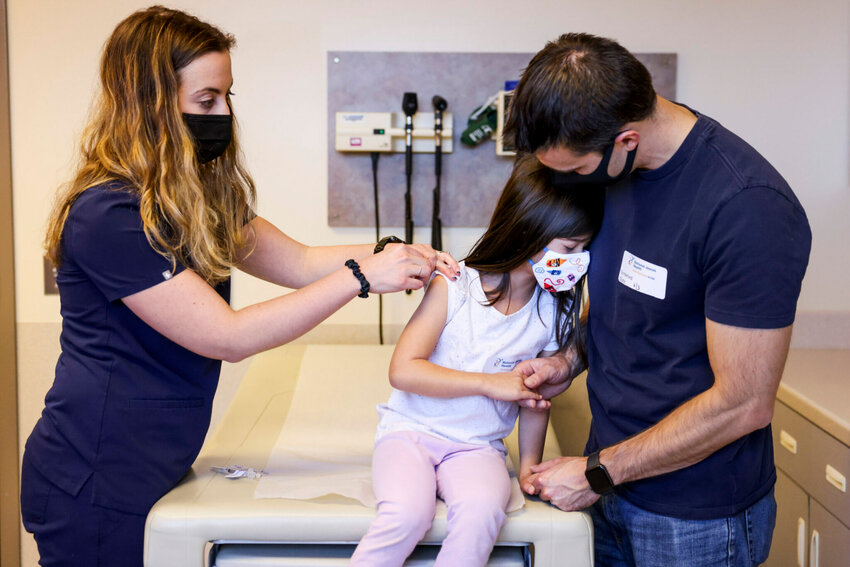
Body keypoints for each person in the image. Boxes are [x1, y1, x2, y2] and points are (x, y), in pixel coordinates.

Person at [19, 7, 459, 567]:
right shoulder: (108, 213)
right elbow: (225, 337)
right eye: (206, 101)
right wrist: (361, 279)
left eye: (227, 97)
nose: (224, 113)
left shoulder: (193, 198)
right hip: (96, 477)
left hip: (156, 463)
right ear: (151, 103)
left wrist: (397, 255)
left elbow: (298, 261)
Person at [503, 33, 812, 566]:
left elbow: (744, 402)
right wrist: (569, 360)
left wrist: (598, 471)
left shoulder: (747, 208)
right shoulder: (620, 170)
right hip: (611, 484)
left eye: (575, 170)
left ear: (625, 139)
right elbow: (627, 303)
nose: (571, 183)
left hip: (698, 520)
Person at [349, 155, 604, 567]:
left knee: (483, 513)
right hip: (411, 434)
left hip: (478, 448)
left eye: (584, 249)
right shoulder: (454, 285)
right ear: (529, 232)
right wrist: (489, 382)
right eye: (571, 248)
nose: (579, 261)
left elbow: (533, 399)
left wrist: (530, 467)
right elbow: (403, 369)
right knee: (406, 514)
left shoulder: (552, 310)